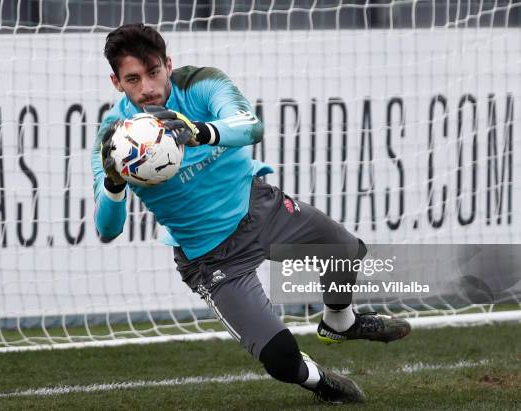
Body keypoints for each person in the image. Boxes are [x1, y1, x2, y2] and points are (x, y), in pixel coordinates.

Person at [92, 23, 411, 404]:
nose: (148, 88)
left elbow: (251, 126)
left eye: (154, 72)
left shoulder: (200, 84)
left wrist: (200, 131)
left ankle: (340, 322)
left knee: (346, 250)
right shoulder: (114, 139)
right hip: (211, 257)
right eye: (133, 78)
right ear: (116, 82)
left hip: (260, 207)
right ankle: (321, 382)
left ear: (168, 64)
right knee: (280, 360)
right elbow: (106, 229)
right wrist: (113, 184)